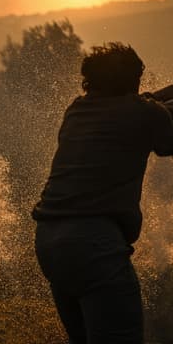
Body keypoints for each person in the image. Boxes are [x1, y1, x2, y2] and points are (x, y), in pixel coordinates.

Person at [33, 43, 173, 343]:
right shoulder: (143, 113)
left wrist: (161, 97)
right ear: (131, 80)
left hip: (50, 243)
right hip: (95, 245)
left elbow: (142, 106)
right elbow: (164, 137)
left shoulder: (76, 110)